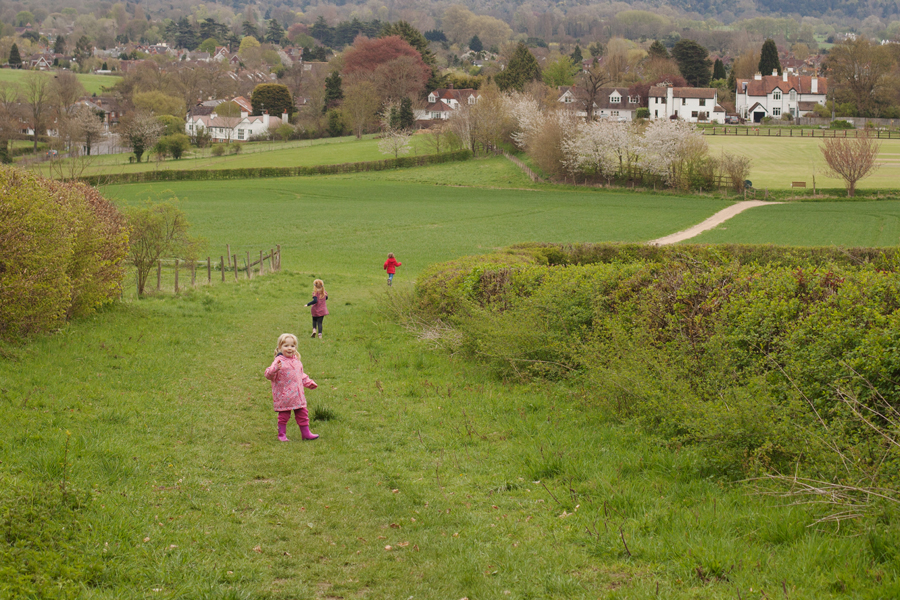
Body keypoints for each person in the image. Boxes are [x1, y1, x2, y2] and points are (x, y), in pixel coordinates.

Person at [264, 333, 319, 442]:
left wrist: (309, 383)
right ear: (280, 347)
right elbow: (268, 375)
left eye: (292, 346)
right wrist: (275, 369)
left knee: (303, 414)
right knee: (284, 416)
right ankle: (282, 435)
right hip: (285, 396)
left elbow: (300, 375)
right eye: (286, 346)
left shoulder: (297, 361)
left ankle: (306, 434)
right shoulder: (278, 362)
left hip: (298, 395)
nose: (289, 348)